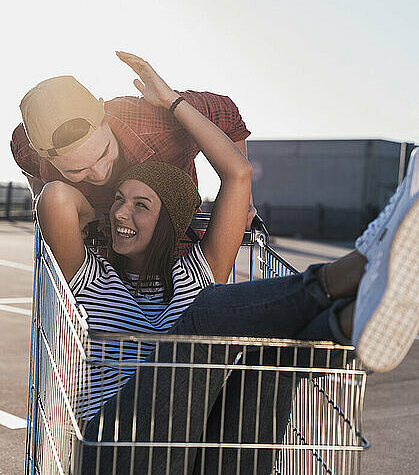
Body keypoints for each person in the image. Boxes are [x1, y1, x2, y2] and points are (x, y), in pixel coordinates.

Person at [36, 60, 419, 474]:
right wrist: (101, 212)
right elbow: (56, 197)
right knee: (202, 318)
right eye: (118, 201)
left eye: (140, 205)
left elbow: (237, 173)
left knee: (269, 361)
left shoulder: (198, 271)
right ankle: (359, 267)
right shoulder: (89, 277)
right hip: (114, 449)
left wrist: (173, 102)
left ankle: (350, 322)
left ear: (172, 221)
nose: (121, 213)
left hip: (196, 454)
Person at [11, 50, 257, 228]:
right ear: (41, 153)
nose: (99, 173)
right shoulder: (31, 148)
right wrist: (39, 195)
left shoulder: (162, 123)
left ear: (103, 110)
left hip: (176, 244)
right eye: (78, 170)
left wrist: (244, 201)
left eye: (104, 152)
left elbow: (230, 117)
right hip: (101, 255)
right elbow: (20, 150)